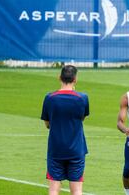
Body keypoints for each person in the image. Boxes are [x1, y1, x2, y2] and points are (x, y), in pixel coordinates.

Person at [41, 65, 90, 195]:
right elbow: (82, 118)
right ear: (75, 79)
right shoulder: (82, 98)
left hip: (56, 149)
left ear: (59, 77)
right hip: (76, 149)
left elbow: (47, 124)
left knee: (53, 189)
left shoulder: (49, 98)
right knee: (77, 190)